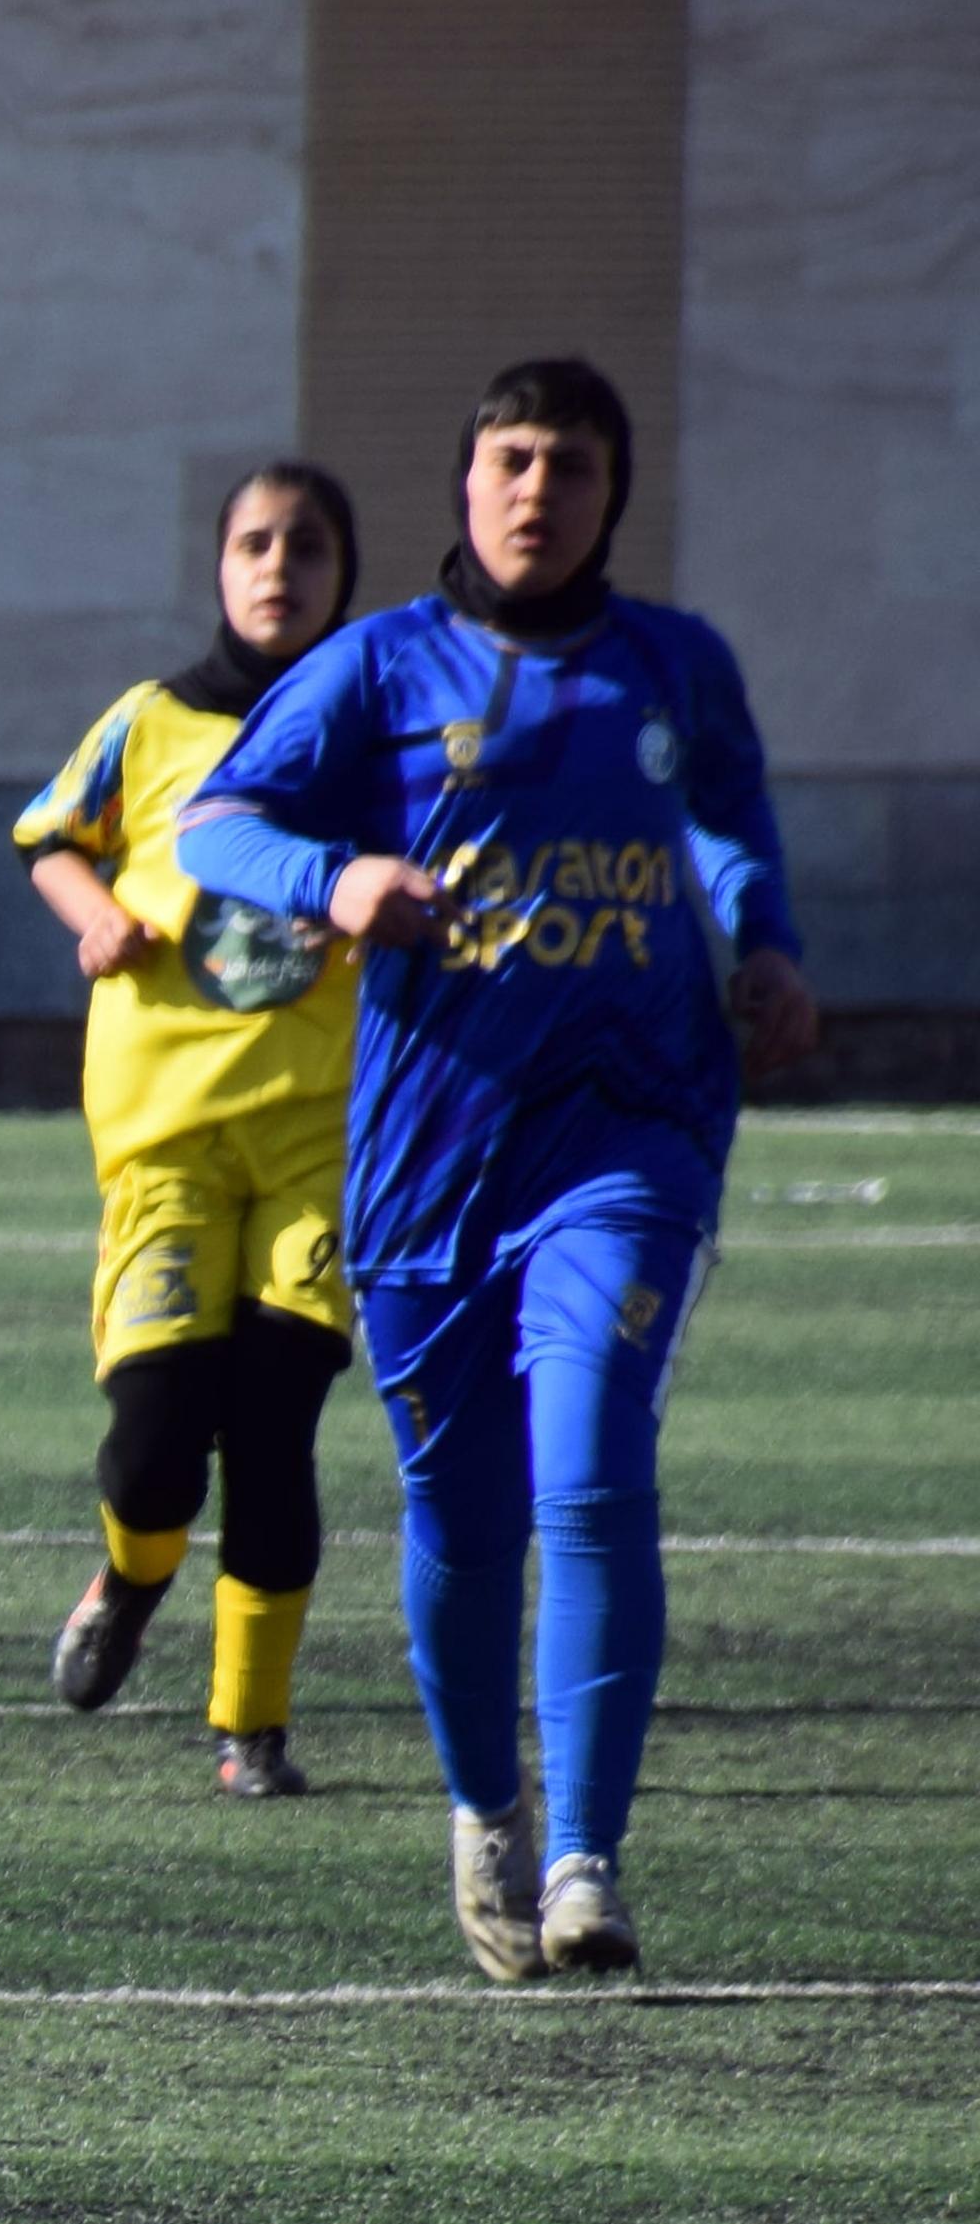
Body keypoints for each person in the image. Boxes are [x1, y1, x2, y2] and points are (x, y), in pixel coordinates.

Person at [178, 356, 817, 1982]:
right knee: (459, 1524)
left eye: (575, 465)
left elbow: (731, 822)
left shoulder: (677, 668)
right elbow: (215, 827)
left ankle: (591, 1860)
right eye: (514, 458)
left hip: (632, 1134)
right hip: (430, 1160)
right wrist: (341, 880)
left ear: (616, 492)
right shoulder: (379, 667)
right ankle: (487, 1808)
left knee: (593, 1469)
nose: (540, 489)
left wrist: (762, 940)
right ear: (466, 482)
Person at [16, 462, 366, 1798]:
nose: (280, 568)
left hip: (311, 1145)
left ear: (345, 570)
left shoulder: (375, 729)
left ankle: (249, 1725)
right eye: (256, 543)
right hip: (162, 1137)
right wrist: (90, 910)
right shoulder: (151, 722)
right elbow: (50, 838)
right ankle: (133, 1569)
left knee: (276, 1427)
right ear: (218, 566)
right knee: (156, 1442)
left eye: (310, 547)